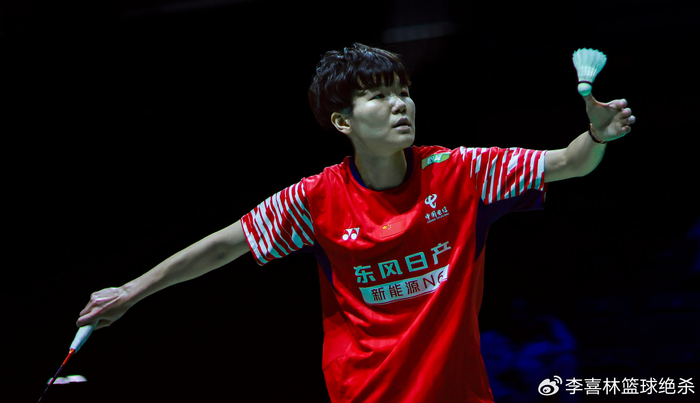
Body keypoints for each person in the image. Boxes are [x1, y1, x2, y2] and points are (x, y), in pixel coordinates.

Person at [76, 43, 635, 402]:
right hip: (364, 394)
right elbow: (226, 245)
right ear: (343, 121)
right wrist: (132, 291)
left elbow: (569, 163)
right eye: (378, 96)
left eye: (403, 93)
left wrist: (597, 136)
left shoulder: (460, 173)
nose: (400, 106)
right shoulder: (316, 199)